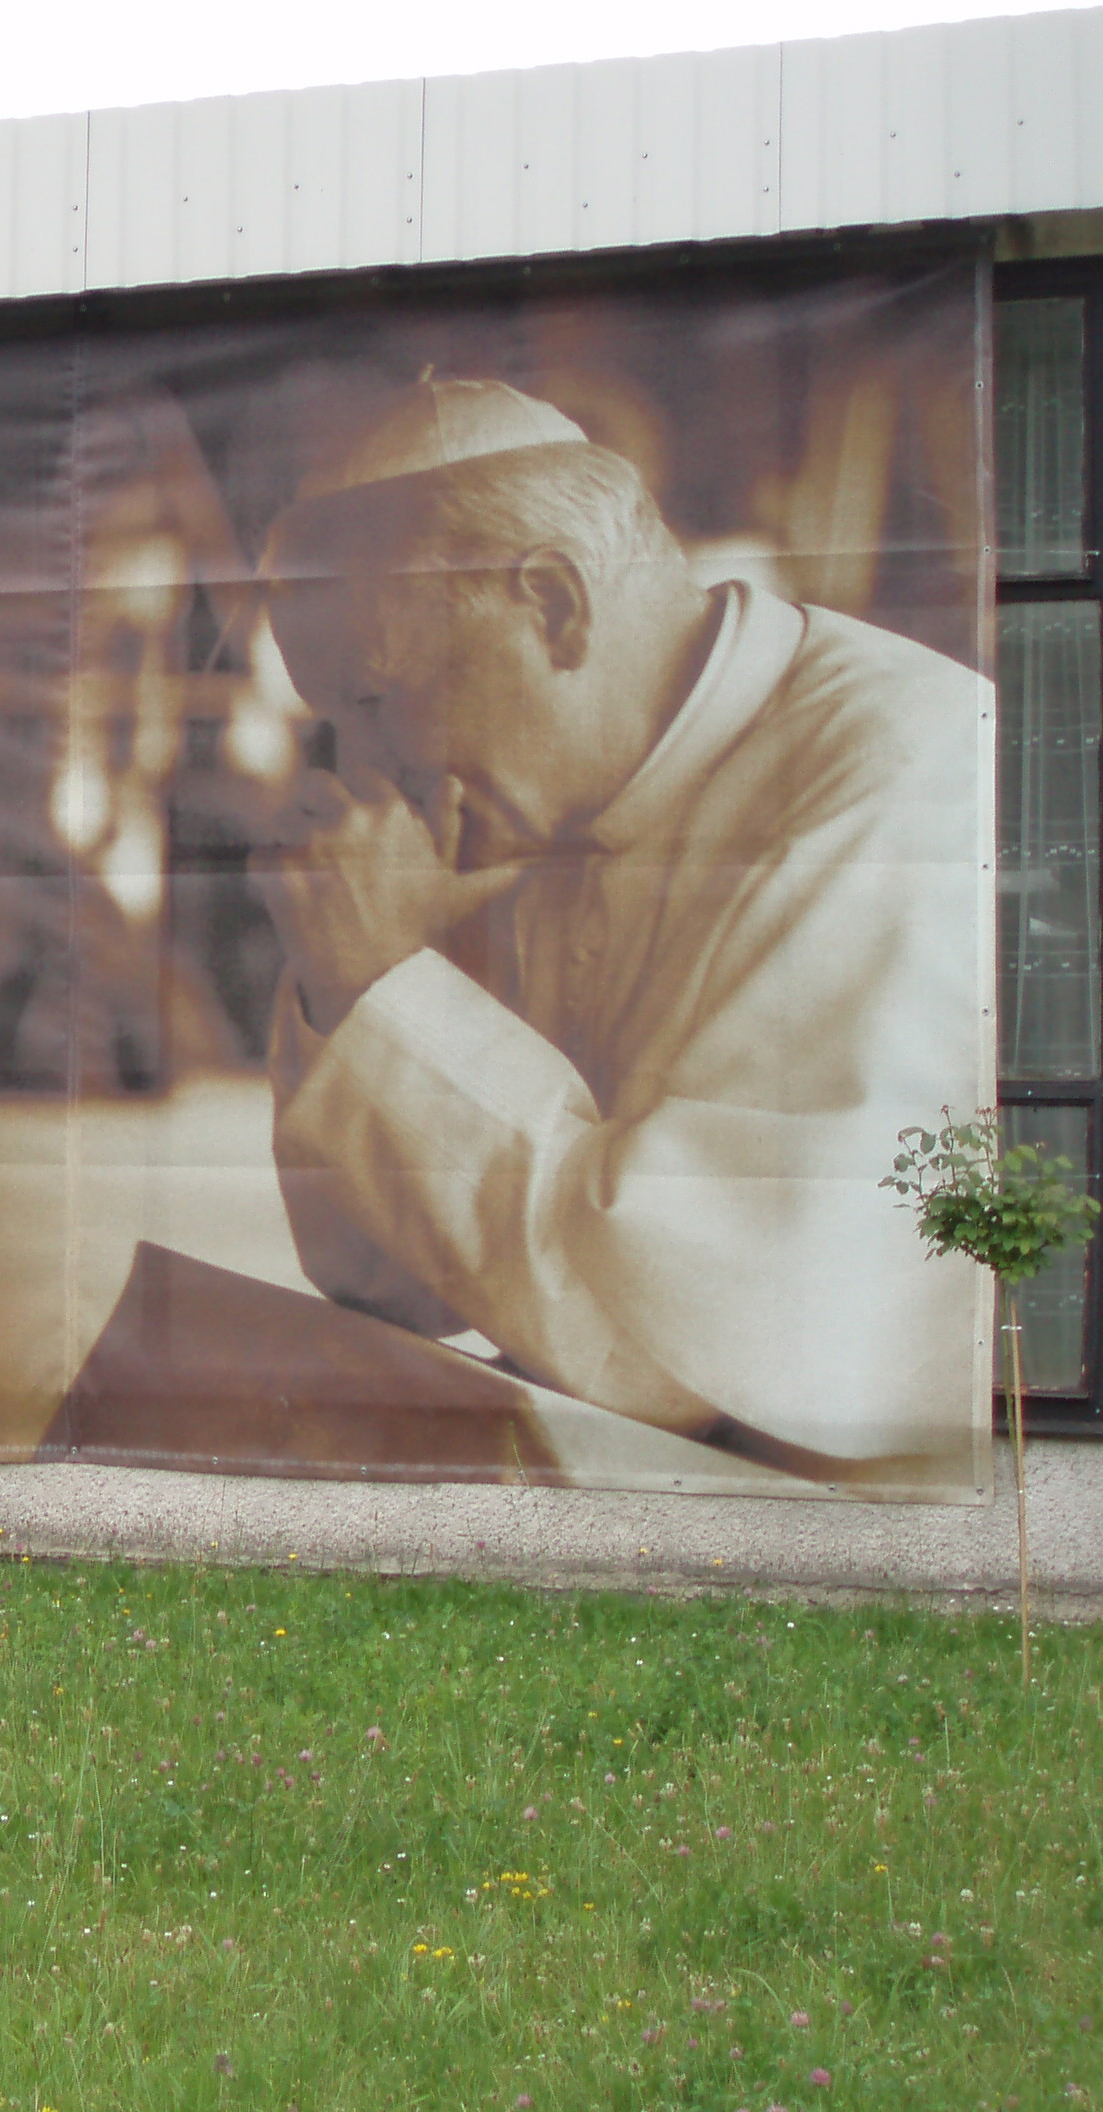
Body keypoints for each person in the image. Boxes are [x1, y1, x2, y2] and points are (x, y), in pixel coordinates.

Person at [247, 378, 985, 1474]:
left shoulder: (903, 773)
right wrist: (343, 982)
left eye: (373, 698)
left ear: (552, 605)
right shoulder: (546, 803)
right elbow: (383, 1278)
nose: (367, 770)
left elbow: (701, 1351)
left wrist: (383, 981)